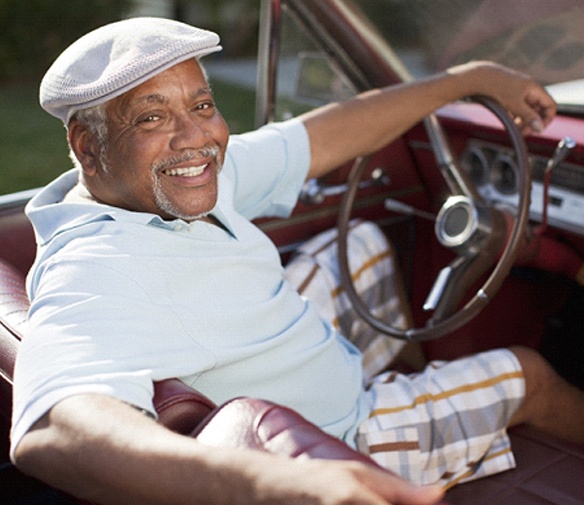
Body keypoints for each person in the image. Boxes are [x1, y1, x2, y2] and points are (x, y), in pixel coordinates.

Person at [9, 16, 584, 505]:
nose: (195, 138)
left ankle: (420, 396)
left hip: (293, 365)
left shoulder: (178, 180)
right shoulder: (97, 266)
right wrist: (277, 481)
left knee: (361, 244)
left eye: (202, 104)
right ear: (88, 144)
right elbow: (50, 428)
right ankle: (415, 423)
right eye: (152, 118)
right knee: (529, 373)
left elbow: (320, 135)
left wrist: (467, 80)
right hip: (344, 430)